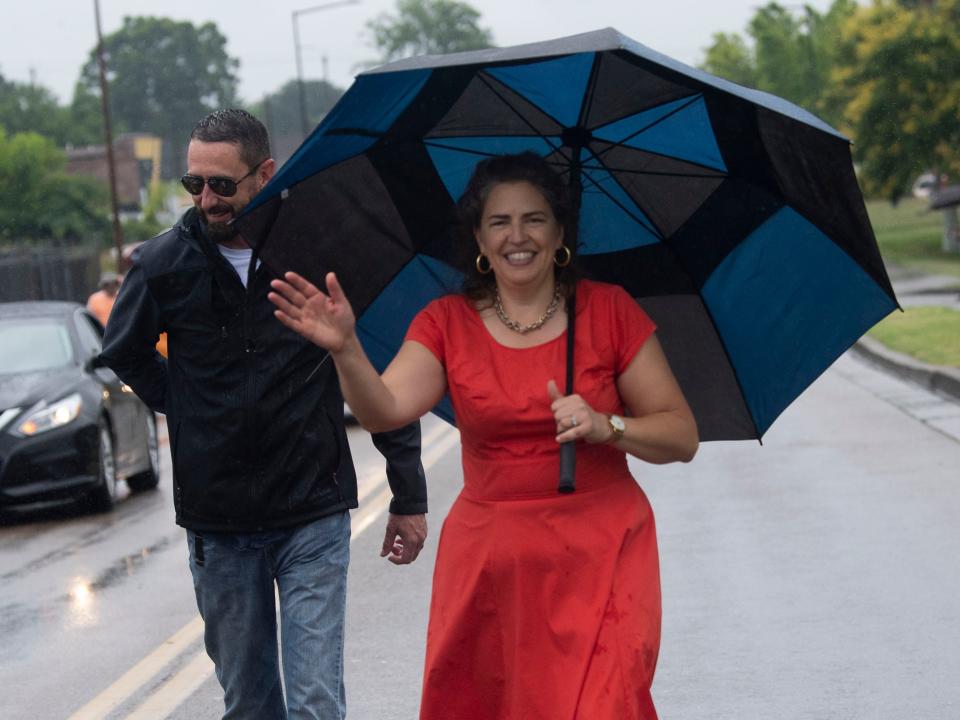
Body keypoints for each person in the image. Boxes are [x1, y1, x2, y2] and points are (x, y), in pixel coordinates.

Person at [268, 152, 700, 719]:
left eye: (535, 219)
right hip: (493, 563)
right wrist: (347, 351)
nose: (517, 237)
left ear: (561, 231)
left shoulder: (610, 311)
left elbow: (681, 435)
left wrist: (606, 425)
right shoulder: (445, 322)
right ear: (478, 236)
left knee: (606, 704)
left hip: (604, 553)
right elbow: (385, 410)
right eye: (499, 222)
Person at [100, 109, 428, 720]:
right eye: (194, 183)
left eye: (222, 184)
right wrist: (183, 401)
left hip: (313, 509)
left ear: (265, 174)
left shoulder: (314, 255)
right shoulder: (162, 264)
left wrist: (408, 494)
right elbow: (123, 349)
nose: (206, 198)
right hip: (218, 522)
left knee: (313, 700)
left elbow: (377, 368)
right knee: (250, 704)